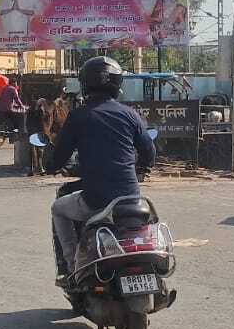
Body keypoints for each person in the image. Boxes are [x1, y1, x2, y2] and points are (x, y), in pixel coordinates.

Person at [45, 56, 155, 282]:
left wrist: (51, 165)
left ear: (85, 83)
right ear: (117, 84)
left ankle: (71, 268)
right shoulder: (130, 114)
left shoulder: (79, 116)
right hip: (131, 199)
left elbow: (58, 158)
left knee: (58, 208)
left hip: (96, 200)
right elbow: (149, 152)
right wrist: (142, 167)